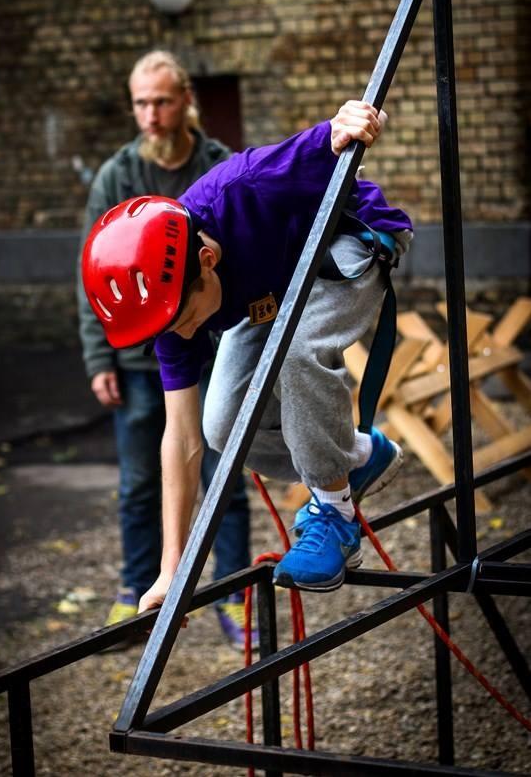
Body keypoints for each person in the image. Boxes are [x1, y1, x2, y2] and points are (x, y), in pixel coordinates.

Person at [81, 99, 412, 615]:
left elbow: (334, 136)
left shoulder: (246, 185)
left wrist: (354, 120)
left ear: (208, 261)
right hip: (274, 285)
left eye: (186, 319)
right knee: (222, 428)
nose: (185, 334)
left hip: (350, 237)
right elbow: (183, 438)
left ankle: (335, 510)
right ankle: (360, 458)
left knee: (298, 350)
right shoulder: (167, 304)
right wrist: (173, 570)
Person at [77, 50, 253, 648]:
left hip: (209, 338)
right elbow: (92, 272)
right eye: (140, 103)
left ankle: (234, 595)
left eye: (162, 101)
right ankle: (136, 594)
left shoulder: (215, 163)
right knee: (138, 481)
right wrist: (98, 358)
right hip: (135, 356)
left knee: (224, 472)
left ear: (185, 102)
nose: (150, 114)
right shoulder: (115, 176)